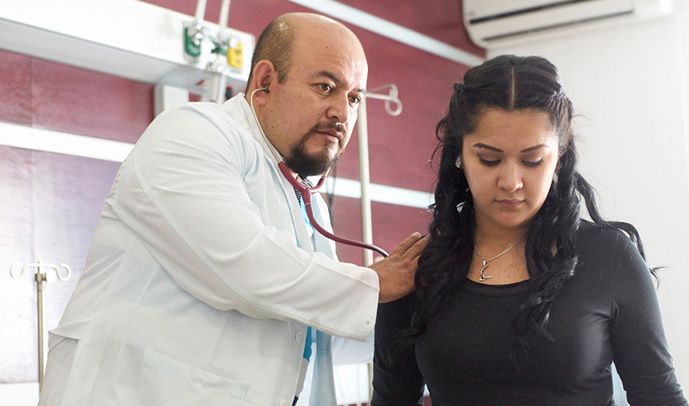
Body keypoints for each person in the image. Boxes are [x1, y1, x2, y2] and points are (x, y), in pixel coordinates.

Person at [38, 12, 426, 406]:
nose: (343, 113)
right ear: (265, 81)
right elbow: (245, 268)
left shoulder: (304, 199)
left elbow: (317, 338)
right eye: (326, 87)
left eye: (355, 98)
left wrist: (428, 318)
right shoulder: (194, 133)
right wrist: (376, 283)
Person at [371, 55, 688, 406]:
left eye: (532, 160)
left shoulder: (608, 256)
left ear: (561, 153)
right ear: (459, 152)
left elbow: (660, 397)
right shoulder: (417, 270)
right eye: (489, 159)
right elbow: (391, 400)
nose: (511, 182)